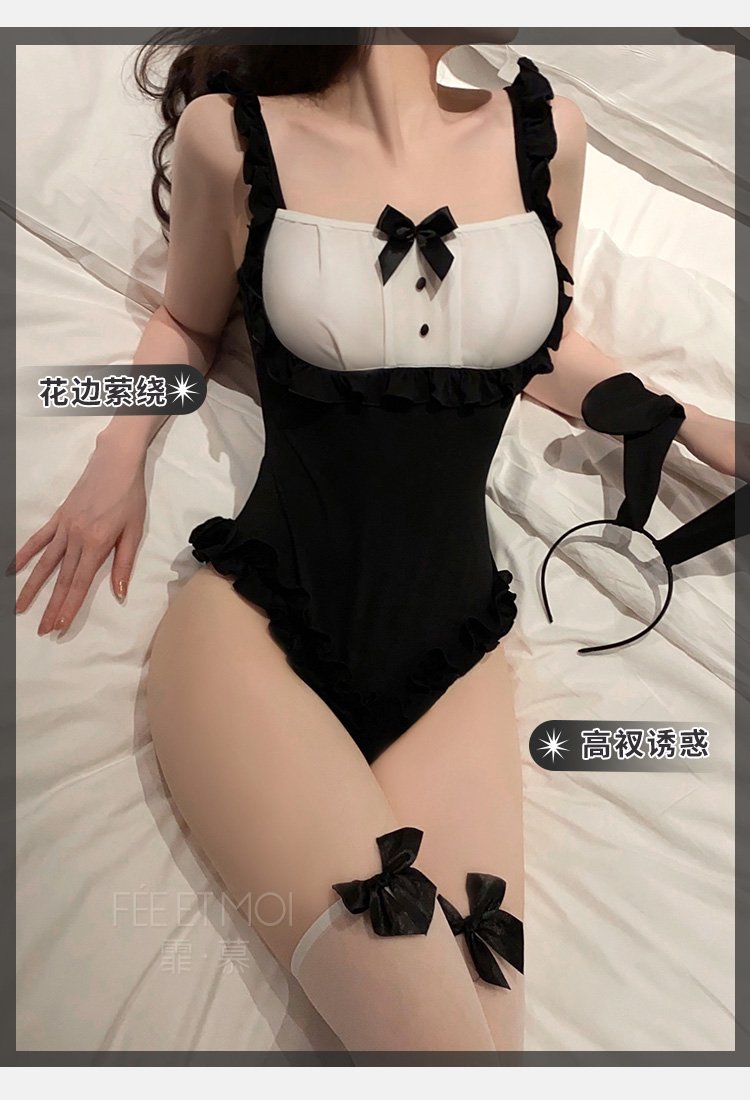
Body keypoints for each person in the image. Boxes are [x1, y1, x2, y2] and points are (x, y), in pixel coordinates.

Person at [12, 32, 738, 1053]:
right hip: (260, 632)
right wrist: (114, 457)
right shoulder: (232, 138)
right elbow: (185, 320)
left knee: (482, 1032)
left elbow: (543, 340)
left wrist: (694, 424)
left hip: (454, 653)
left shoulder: (550, 134)